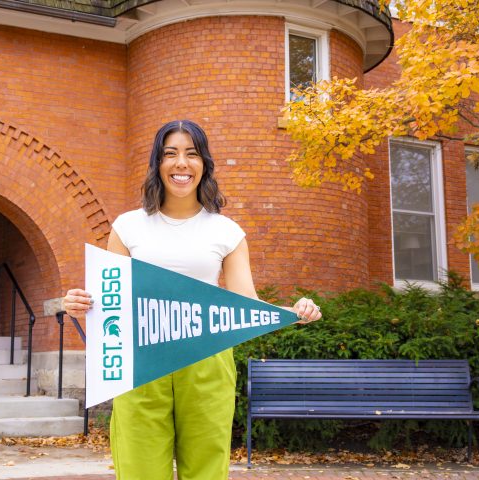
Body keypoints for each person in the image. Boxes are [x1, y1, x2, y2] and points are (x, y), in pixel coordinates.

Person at [63, 120, 321, 480]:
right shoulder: (127, 227)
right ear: (157, 164)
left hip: (207, 360)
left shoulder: (226, 231)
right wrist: (81, 303)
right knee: (139, 471)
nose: (181, 163)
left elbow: (245, 302)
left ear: (204, 165)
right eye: (170, 154)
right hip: (140, 362)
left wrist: (294, 312)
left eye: (191, 154)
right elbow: (110, 299)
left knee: (206, 471)